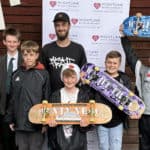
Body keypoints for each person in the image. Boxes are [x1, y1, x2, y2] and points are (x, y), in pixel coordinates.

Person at [5, 40, 51, 150]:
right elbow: (12, 99)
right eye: (26, 54)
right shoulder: (16, 74)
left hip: (36, 124)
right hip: (19, 123)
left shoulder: (43, 74)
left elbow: (46, 99)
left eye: (31, 54)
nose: (28, 58)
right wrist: (10, 119)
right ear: (22, 55)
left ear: (37, 55)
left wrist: (45, 123)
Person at [48, 63, 94, 150]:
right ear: (62, 78)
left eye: (72, 77)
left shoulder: (83, 95)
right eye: (66, 77)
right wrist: (50, 122)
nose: (69, 80)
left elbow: (90, 119)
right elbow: (49, 116)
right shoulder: (55, 95)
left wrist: (86, 124)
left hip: (78, 141)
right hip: (58, 141)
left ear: (77, 78)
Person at [41, 12, 87, 93]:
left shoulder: (78, 49)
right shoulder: (47, 49)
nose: (60, 28)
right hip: (52, 97)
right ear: (54, 27)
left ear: (69, 26)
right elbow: (42, 75)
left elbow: (83, 75)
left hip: (73, 98)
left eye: (63, 24)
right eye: (57, 25)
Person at [119, 25, 149, 150]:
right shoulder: (142, 70)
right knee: (144, 146)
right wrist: (123, 36)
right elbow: (130, 56)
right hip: (146, 116)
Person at [95, 51, 132, 150]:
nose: (111, 65)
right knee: (103, 147)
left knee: (115, 148)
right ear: (105, 63)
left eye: (114, 63)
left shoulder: (124, 79)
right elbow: (90, 95)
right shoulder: (98, 77)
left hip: (117, 121)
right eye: (109, 62)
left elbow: (129, 100)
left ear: (119, 64)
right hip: (101, 120)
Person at [0, 26, 22, 150]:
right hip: (3, 105)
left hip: (20, 106)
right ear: (4, 42)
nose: (11, 44)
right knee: (5, 141)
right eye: (9, 41)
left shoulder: (25, 61)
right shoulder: (1, 61)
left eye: (14, 41)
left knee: (19, 142)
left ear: (19, 43)